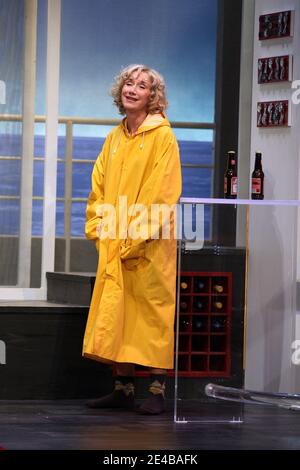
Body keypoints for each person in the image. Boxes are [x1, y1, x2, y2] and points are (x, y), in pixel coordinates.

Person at [83, 64, 182, 415]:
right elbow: (98, 186)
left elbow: (161, 193)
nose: (132, 89)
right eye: (129, 82)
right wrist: (99, 227)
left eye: (142, 85)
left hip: (150, 243)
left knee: (152, 312)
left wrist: (137, 237)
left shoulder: (162, 137)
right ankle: (123, 388)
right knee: (121, 312)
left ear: (151, 97)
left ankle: (156, 389)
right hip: (115, 240)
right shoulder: (115, 137)